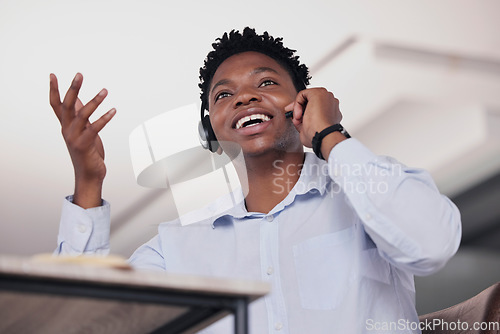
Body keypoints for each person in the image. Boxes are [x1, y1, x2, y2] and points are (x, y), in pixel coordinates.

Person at [49, 27, 462, 333]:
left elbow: (432, 245)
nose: (245, 97)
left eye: (266, 83)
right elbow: (89, 321)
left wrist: (329, 135)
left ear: (303, 101)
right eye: (223, 95)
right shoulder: (177, 247)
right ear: (209, 131)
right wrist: (88, 182)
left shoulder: (366, 192)